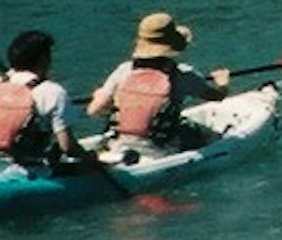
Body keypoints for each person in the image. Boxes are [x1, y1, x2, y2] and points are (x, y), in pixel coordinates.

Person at [88, 12, 229, 156]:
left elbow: (94, 110)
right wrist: (222, 83)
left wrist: (98, 94)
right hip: (160, 149)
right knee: (207, 135)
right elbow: (217, 97)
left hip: (118, 144)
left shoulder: (123, 70)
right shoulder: (183, 74)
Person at [0, 27, 71, 172]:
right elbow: (68, 147)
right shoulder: (53, 91)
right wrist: (90, 160)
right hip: (32, 172)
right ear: (44, 59)